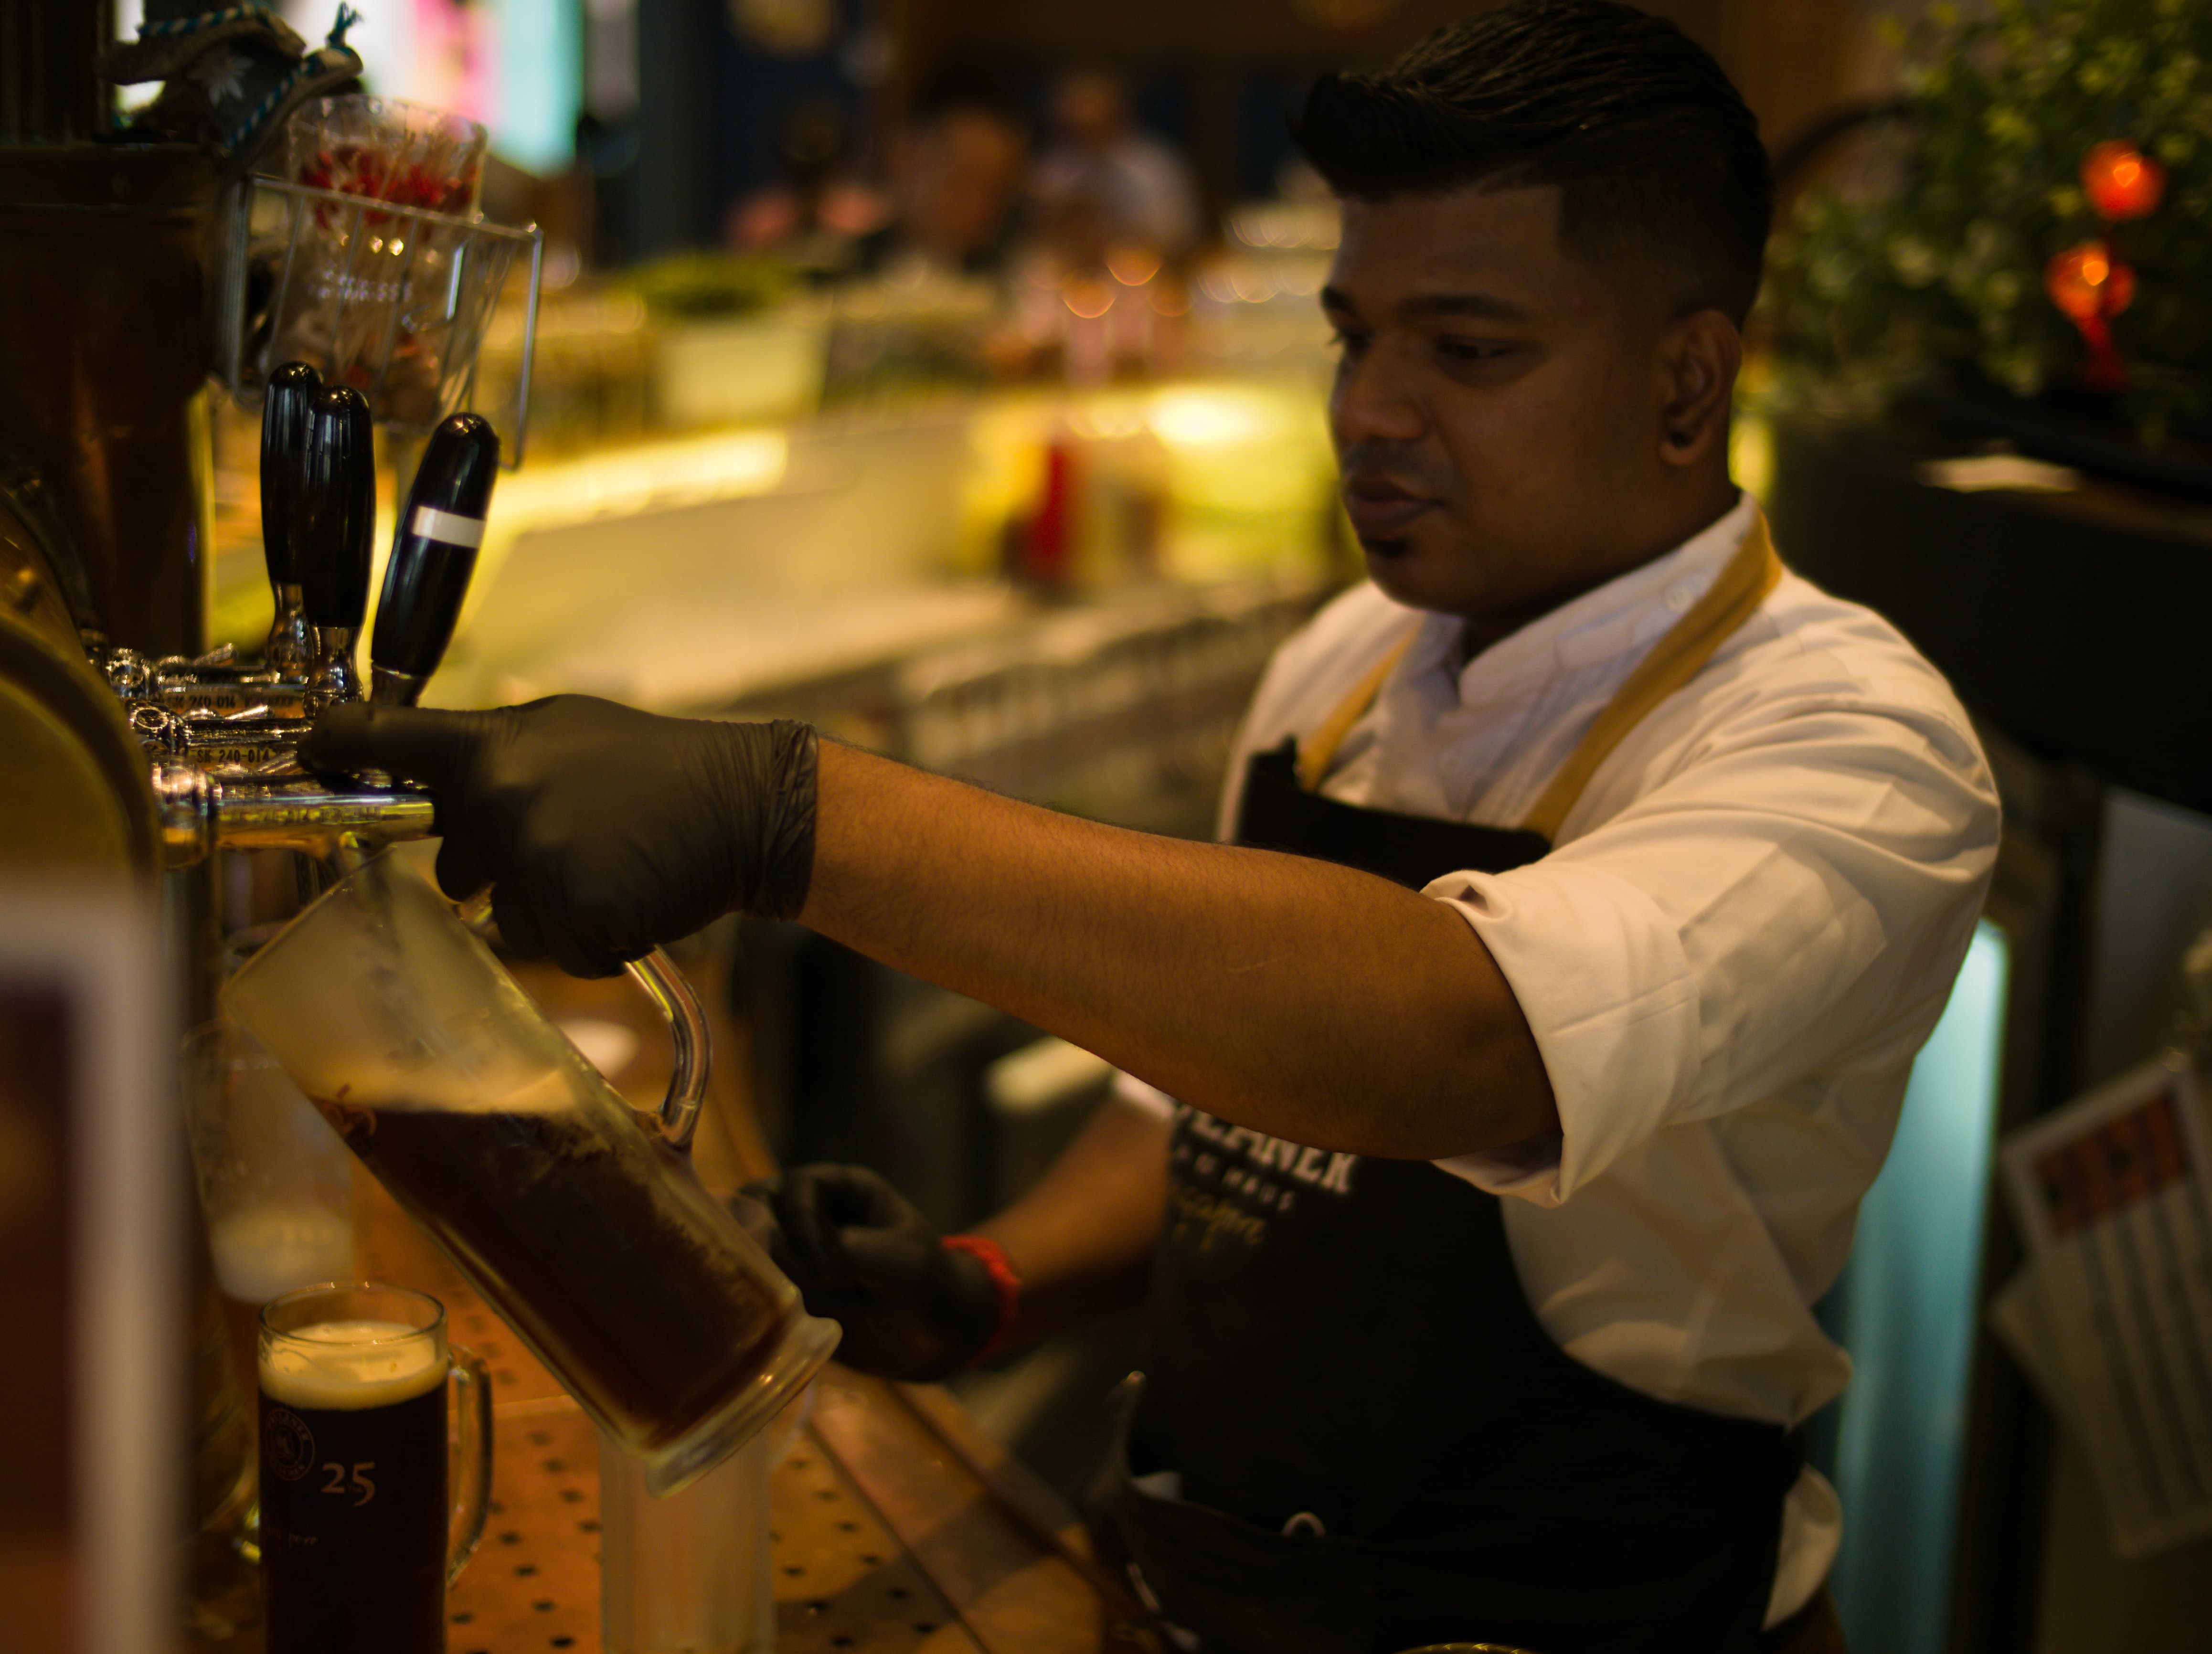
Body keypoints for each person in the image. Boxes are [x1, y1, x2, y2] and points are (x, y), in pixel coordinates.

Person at [307, 5, 1999, 1649]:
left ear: (1686, 383)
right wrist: (985, 1282)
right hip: (1178, 1588)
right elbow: (1214, 1114)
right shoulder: (1346, 661)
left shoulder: (1849, 744)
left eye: (1467, 351)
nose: (1370, 409)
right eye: (1353, 336)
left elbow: (1462, 1041)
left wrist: (786, 813)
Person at [1030, 69, 1202, 257]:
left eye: (1098, 123)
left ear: (1119, 114)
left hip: (1144, 263)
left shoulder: (1155, 164)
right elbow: (1037, 235)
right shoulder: (1049, 168)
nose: (1089, 134)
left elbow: (1180, 234)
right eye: (1079, 128)